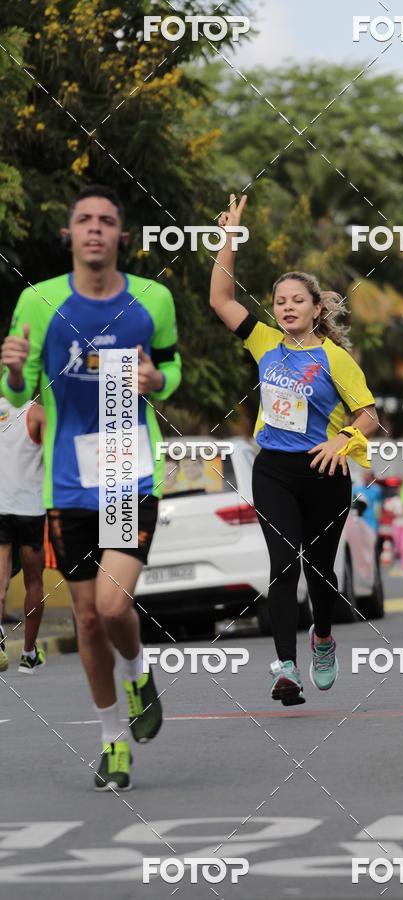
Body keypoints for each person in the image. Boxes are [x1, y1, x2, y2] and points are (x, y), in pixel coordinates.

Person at [0, 184, 181, 790]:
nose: (96, 229)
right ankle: (112, 739)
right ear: (70, 234)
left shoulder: (151, 299)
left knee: (111, 605)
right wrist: (10, 365)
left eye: (107, 221)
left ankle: (136, 671)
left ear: (121, 236)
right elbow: (19, 388)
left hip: (125, 470)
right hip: (67, 482)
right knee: (86, 617)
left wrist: (157, 378)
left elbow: (170, 366)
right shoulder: (38, 299)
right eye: (85, 220)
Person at [210, 195, 379, 705]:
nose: (286, 306)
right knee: (282, 566)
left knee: (320, 572)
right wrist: (229, 240)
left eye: (297, 300)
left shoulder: (335, 358)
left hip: (324, 472)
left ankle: (323, 638)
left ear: (316, 309)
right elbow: (221, 299)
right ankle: (285, 667)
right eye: (280, 300)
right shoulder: (264, 342)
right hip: (275, 470)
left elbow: (368, 414)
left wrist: (343, 440)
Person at [0, 400, 46, 673]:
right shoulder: (37, 413)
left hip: (1, 507)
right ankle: (29, 652)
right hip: (31, 509)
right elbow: (55, 456)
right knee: (34, 581)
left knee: (1, 578)